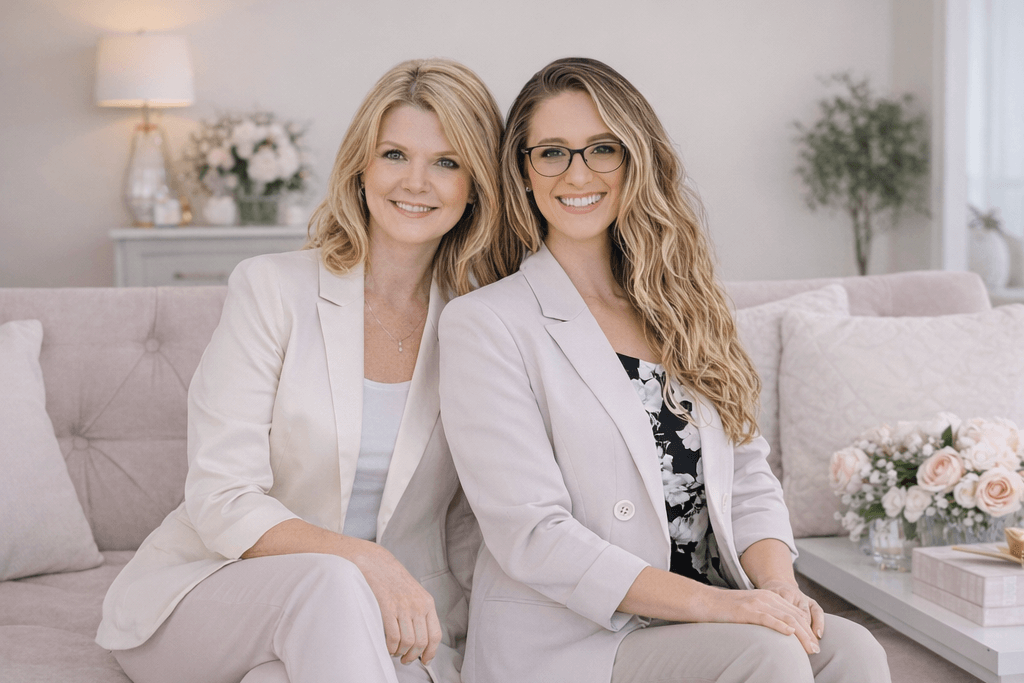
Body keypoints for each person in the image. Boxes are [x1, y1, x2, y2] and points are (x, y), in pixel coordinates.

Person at [437, 57, 891, 683]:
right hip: (577, 640)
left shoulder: (685, 305)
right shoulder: (486, 322)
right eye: (552, 153)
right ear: (523, 171)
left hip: (706, 610)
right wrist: (723, 607)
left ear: (637, 159)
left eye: (603, 149)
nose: (578, 174)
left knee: (852, 650)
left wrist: (777, 588)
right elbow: (533, 533)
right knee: (766, 652)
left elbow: (748, 473)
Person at [96, 58, 516, 683]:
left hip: (381, 623)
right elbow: (222, 497)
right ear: (361, 167)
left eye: (447, 162)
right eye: (395, 155)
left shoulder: (479, 323)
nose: (416, 182)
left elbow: (469, 522)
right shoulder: (270, 289)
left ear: (477, 184)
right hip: (215, 594)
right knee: (330, 582)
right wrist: (364, 560)